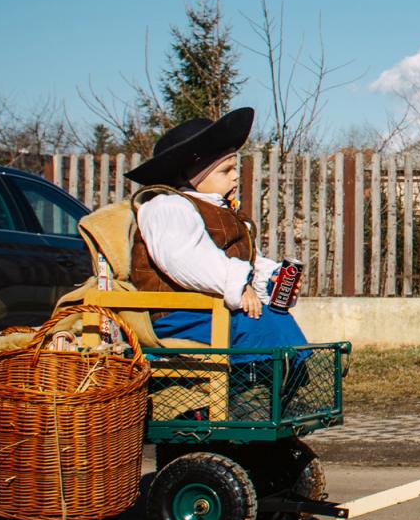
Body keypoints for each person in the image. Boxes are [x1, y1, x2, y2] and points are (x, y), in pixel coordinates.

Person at [124, 107, 306, 352]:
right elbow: (185, 258)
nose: (234, 177)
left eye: (234, 168)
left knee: (277, 320)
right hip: (178, 315)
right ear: (192, 173)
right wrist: (237, 283)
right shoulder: (169, 207)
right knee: (260, 327)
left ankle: (277, 383)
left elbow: (246, 257)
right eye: (225, 170)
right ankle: (262, 384)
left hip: (211, 309)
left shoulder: (224, 212)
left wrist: (270, 278)